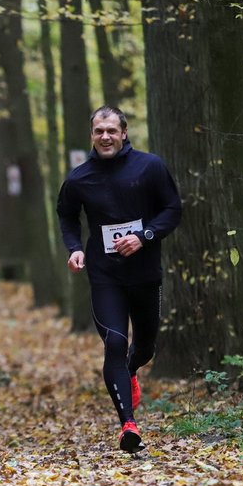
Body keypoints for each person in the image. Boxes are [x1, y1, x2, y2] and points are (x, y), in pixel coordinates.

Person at [56, 106, 182, 453]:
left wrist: (145, 236)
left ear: (124, 133)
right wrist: (74, 248)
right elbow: (67, 216)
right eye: (99, 131)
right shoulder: (79, 178)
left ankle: (131, 370)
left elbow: (172, 209)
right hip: (105, 274)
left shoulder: (150, 166)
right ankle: (128, 425)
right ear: (92, 135)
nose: (105, 137)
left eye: (112, 130)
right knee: (114, 342)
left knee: (145, 347)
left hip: (144, 273)